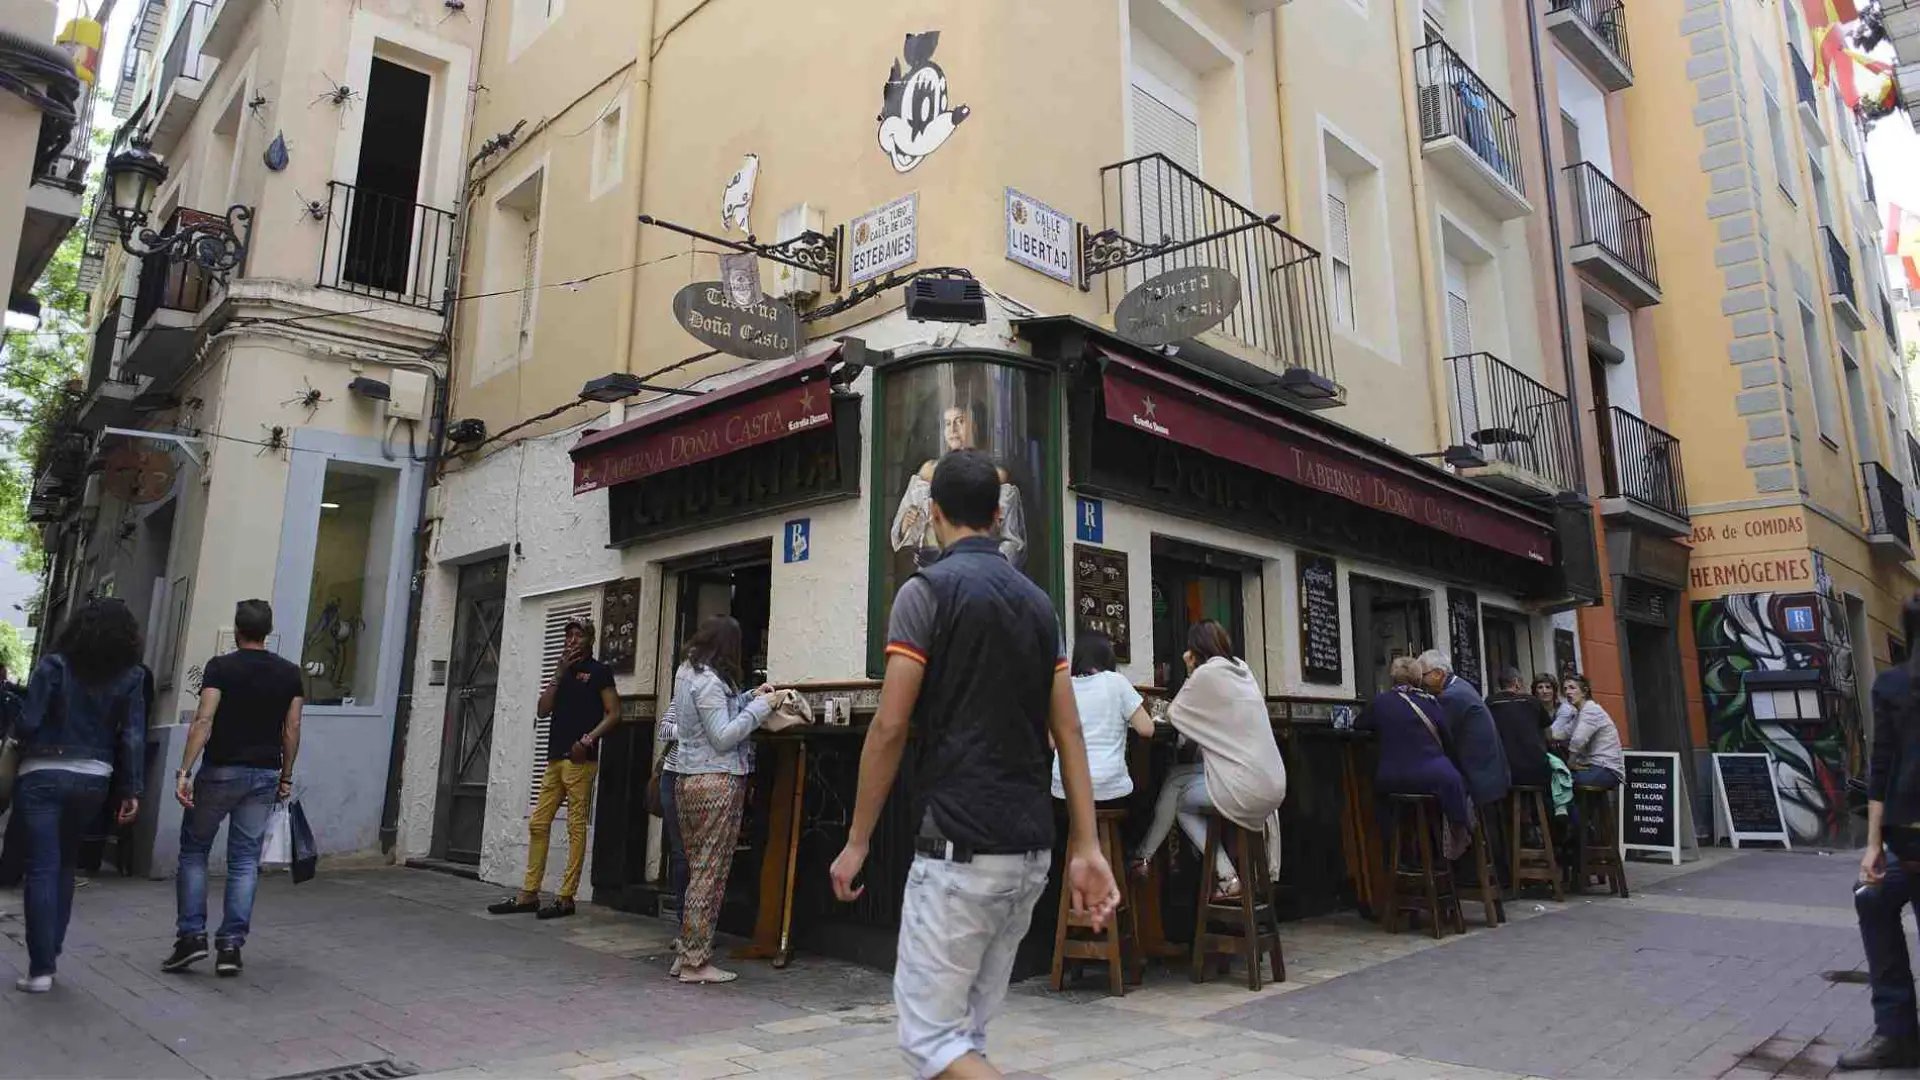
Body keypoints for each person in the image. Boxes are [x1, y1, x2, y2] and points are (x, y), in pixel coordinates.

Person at [831, 450, 1117, 1080]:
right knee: (967, 1037)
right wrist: (1086, 845)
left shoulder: (924, 592)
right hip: (1030, 855)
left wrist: (857, 841)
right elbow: (1066, 731)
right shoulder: (1042, 606)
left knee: (929, 1041)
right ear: (996, 515)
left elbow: (890, 726)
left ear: (933, 516)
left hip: (960, 850)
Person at [161, 600, 304, 977]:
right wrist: (285, 776)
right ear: (267, 632)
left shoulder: (220, 667)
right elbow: (292, 729)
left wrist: (184, 771)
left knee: (194, 851)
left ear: (238, 631)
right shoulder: (290, 673)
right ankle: (230, 947)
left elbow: (204, 719)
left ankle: (191, 937)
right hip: (264, 775)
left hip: (221, 770)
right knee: (243, 861)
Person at [11, 599, 146, 992]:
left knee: (40, 866)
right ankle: (50, 953)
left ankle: (40, 969)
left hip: (42, 774)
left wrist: (15, 740)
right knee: (66, 865)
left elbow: (31, 719)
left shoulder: (54, 666)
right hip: (93, 778)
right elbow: (133, 734)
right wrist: (131, 788)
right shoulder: (132, 676)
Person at [1129, 621, 1286, 902]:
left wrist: (1191, 672)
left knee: (1176, 791)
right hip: (1272, 786)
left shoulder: (1208, 674)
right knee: (1179, 782)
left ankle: (1145, 858)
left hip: (1246, 789)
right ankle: (1223, 876)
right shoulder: (1242, 670)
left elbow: (1176, 714)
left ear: (1195, 650)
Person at [488, 615, 619, 921]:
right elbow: (543, 710)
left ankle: (566, 897)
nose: (572, 640)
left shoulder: (599, 672)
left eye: (579, 635)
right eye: (569, 635)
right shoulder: (562, 672)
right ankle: (528, 894)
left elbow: (614, 714)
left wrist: (587, 740)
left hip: (580, 760)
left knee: (575, 827)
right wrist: (558, 673)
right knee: (538, 822)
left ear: (590, 639)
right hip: (554, 758)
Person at [667, 614, 775, 984]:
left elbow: (712, 715)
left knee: (698, 870)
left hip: (687, 780)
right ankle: (697, 962)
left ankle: (685, 954)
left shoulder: (686, 673)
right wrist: (760, 710)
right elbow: (724, 736)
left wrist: (749, 697)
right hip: (716, 782)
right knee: (709, 876)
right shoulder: (710, 682)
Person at [1841, 595, 1920, 1070]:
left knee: (1872, 900)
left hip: (1903, 837)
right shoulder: (1892, 686)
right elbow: (1883, 765)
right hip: (1904, 839)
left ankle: (1896, 1034)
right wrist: (1874, 846)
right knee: (1871, 898)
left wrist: (1874, 844)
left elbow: (1881, 765)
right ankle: (1895, 1033)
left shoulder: (1892, 683)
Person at [890, 397, 1027, 570]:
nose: (953, 429)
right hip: (934, 575)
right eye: (947, 423)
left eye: (960, 421)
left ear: (974, 426)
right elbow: (905, 535)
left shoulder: (998, 480)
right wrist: (906, 524)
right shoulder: (925, 477)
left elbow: (1014, 545)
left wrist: (990, 566)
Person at [1361, 656, 1472, 856]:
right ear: (1418, 677)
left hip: (1391, 779)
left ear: (1392, 677)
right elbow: (1447, 739)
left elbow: (1359, 724)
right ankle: (1453, 844)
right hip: (1431, 776)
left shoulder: (1381, 702)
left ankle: (1401, 853)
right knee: (1455, 782)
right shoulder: (1430, 702)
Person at [1053, 631, 1153, 809]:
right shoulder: (1117, 682)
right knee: (1143, 800)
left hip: (1065, 788)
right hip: (1108, 786)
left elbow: (1052, 742)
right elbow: (1147, 729)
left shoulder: (1063, 687)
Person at [1418, 651, 1509, 809]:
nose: (1420, 681)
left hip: (1477, 778)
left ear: (1438, 674)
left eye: (1423, 675)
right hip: (1492, 774)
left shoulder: (1451, 697)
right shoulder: (1461, 685)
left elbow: (1435, 736)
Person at [653, 698, 689, 976]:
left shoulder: (725, 689)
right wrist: (694, 729)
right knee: (679, 854)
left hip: (705, 776)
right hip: (673, 775)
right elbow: (664, 730)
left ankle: (697, 931)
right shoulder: (685, 690)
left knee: (697, 857)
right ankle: (683, 927)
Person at [1488, 667, 1555, 791]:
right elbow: (1549, 736)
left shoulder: (1489, 703)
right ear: (1516, 683)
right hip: (1535, 771)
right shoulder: (1532, 702)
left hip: (1502, 771)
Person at [1559, 674, 1624, 789]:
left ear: (1584, 692)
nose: (1568, 692)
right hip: (1594, 767)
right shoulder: (1580, 714)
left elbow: (1578, 740)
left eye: (1572, 688)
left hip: (1606, 769)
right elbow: (1562, 733)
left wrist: (1571, 763)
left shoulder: (1591, 710)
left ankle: (1573, 808)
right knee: (1560, 779)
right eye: (1565, 689)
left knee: (1561, 782)